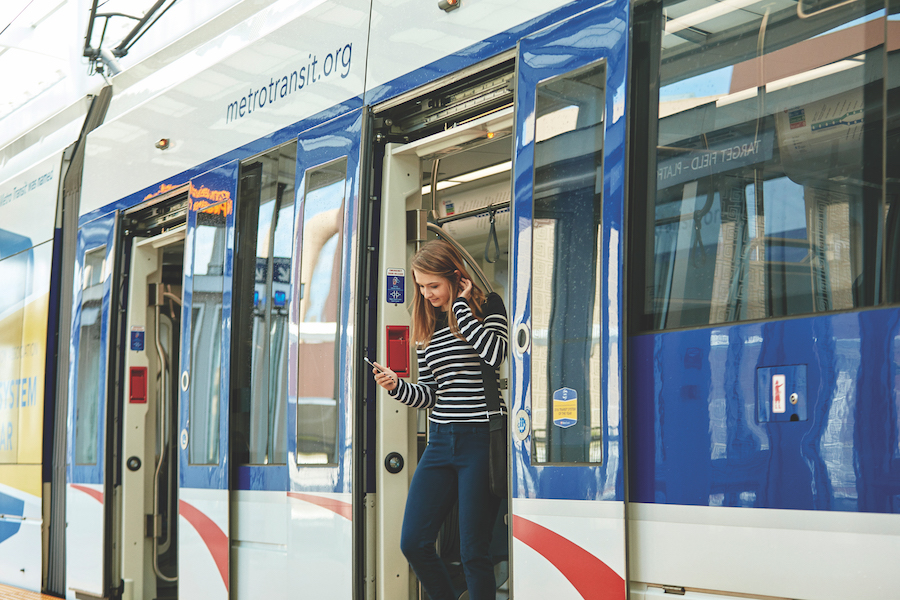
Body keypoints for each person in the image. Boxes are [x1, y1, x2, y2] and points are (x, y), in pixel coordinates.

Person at [371, 239, 508, 600]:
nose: (427, 294)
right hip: (441, 439)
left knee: (473, 553)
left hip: (480, 439)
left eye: (434, 285)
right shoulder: (427, 322)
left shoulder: (488, 306)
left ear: (456, 277)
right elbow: (431, 393)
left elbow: (495, 354)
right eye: (420, 286)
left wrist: (460, 307)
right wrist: (397, 386)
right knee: (413, 541)